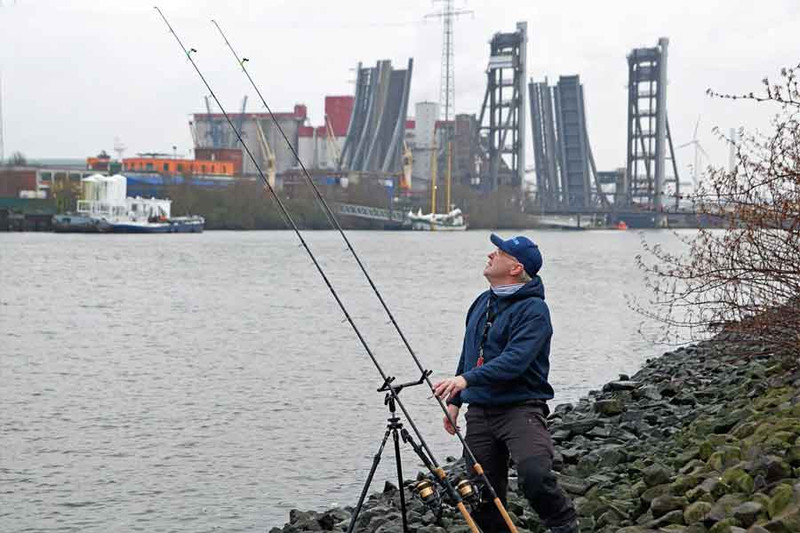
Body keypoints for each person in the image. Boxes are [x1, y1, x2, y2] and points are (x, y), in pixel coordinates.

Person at [433, 234, 578, 533]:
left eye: (498, 252)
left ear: (515, 268)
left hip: (521, 408)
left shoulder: (535, 311)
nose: (490, 255)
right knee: (481, 492)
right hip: (480, 410)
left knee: (535, 473)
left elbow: (515, 361)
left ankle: (564, 524)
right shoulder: (481, 302)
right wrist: (455, 402)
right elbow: (470, 353)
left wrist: (465, 379)